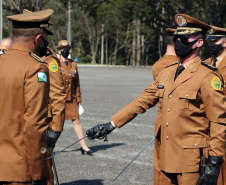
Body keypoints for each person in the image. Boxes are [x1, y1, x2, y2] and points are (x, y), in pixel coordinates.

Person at [86, 14, 226, 185]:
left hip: (191, 162)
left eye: (184, 38)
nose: (179, 42)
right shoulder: (167, 72)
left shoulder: (208, 76)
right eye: (176, 38)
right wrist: (112, 124)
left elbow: (218, 121)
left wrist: (215, 161)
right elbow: (142, 100)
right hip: (166, 158)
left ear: (198, 42)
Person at [0, 9, 54, 185]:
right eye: (46, 38)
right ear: (38, 39)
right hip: (19, 170)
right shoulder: (35, 68)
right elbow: (34, 124)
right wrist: (39, 172)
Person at [152, 27, 180, 185]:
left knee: (161, 171)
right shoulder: (175, 66)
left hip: (162, 124)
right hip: (178, 127)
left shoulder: (158, 65)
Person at [57, 40, 92, 155]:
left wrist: (79, 99)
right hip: (59, 97)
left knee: (77, 121)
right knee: (56, 123)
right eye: (63, 49)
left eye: (67, 48)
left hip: (71, 97)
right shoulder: (55, 64)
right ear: (59, 50)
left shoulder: (73, 64)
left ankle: (83, 145)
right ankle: (49, 146)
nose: (65, 50)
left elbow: (76, 83)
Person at [204, 26, 226, 185]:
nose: (211, 43)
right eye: (209, 40)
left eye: (215, 40)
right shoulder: (204, 64)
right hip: (204, 128)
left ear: (225, 43)